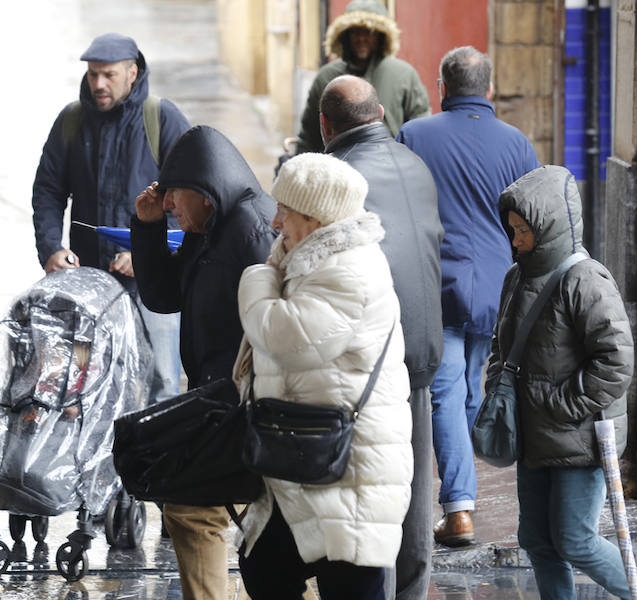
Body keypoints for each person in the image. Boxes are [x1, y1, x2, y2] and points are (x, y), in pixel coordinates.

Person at [233, 152, 411, 599]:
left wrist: (256, 277)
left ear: (314, 220)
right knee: (262, 566)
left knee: (349, 581)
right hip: (306, 460)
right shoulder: (307, 259)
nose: (275, 222)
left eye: (285, 211)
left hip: (349, 469)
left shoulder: (349, 269)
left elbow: (285, 335)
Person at [492, 164, 637, 600]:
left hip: (577, 438)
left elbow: (614, 360)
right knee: (537, 540)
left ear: (549, 225)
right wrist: (499, 386)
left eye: (523, 230)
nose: (515, 240)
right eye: (512, 229)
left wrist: (559, 405)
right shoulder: (517, 277)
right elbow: (502, 347)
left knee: (576, 540)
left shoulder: (585, 278)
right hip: (533, 437)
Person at [397, 45, 540, 545]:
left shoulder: (414, 135)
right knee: (468, 388)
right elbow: (535, 218)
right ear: (489, 90)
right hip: (501, 288)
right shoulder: (518, 144)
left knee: (448, 390)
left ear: (442, 87)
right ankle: (465, 488)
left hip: (440, 288)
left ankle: (459, 507)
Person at [131, 125, 275, 600]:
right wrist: (150, 228)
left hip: (249, 402)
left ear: (205, 190)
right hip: (216, 396)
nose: (168, 203)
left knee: (196, 512)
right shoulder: (208, 227)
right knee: (196, 512)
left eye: (174, 194)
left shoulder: (252, 231)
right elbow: (163, 295)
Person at [320, 75, 442, 600]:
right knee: (414, 493)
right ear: (382, 116)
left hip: (374, 358)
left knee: (373, 502)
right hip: (424, 349)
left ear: (325, 127)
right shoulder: (415, 165)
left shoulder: (337, 177)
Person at [32, 32, 190, 402]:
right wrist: (51, 248)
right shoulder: (71, 121)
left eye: (109, 75)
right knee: (88, 386)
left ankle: (156, 460)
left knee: (162, 383)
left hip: (156, 289)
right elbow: (48, 191)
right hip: (89, 287)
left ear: (132, 73)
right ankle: (103, 459)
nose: (99, 84)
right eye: (92, 75)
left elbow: (191, 200)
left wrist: (148, 256)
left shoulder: (161, 118)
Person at [294, 0, 429, 154]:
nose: (361, 38)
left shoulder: (403, 74)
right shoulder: (327, 77)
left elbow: (421, 128)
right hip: (338, 170)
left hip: (391, 167)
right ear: (345, 35)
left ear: (381, 36)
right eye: (355, 31)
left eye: (368, 31)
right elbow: (308, 136)